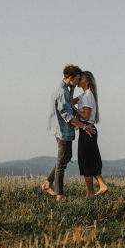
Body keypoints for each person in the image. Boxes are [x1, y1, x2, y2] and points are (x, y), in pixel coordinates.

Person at [42, 65, 96, 201]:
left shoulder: (64, 89)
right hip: (63, 130)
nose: (78, 82)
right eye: (77, 79)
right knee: (62, 162)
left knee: (66, 157)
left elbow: (70, 104)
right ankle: (60, 195)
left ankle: (48, 183)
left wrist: (72, 89)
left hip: (62, 129)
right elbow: (68, 116)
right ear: (71, 78)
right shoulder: (62, 92)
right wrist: (84, 127)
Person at [72, 71, 109, 196]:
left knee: (86, 161)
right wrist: (72, 87)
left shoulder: (87, 96)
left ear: (87, 82)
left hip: (87, 128)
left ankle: (90, 192)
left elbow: (86, 117)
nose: (78, 80)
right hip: (87, 129)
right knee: (91, 160)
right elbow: (71, 100)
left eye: (80, 78)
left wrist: (73, 108)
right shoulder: (84, 94)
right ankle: (102, 185)